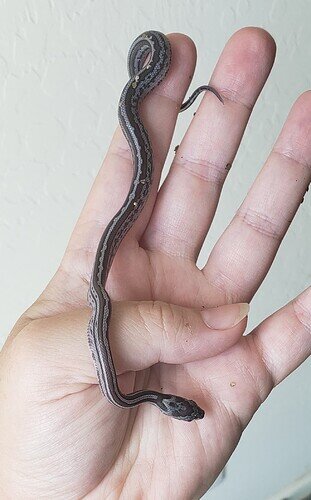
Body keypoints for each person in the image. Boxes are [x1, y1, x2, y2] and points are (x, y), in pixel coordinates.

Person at [0, 26, 310, 498]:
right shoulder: (121, 399)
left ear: (170, 404)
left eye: (184, 407)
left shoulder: (124, 393)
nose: (187, 408)